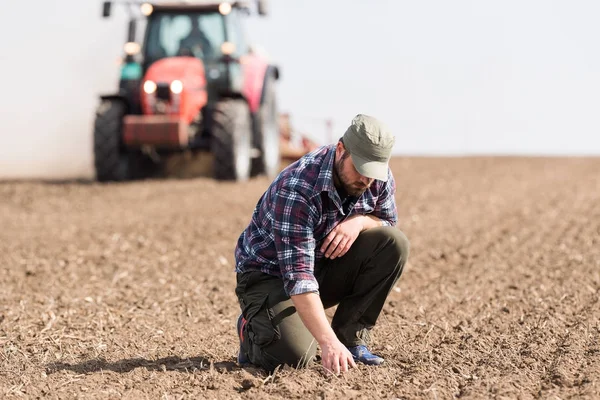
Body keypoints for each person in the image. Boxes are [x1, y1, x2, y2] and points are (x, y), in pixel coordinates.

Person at [234, 114, 410, 375]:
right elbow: (298, 278)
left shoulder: (376, 177)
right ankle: (252, 328)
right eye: (360, 169)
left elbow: (387, 222)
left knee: (393, 243)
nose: (366, 181)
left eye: (372, 173)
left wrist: (359, 222)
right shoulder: (297, 188)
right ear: (341, 150)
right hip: (270, 276)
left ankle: (351, 339)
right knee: (293, 358)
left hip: (319, 265)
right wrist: (327, 343)